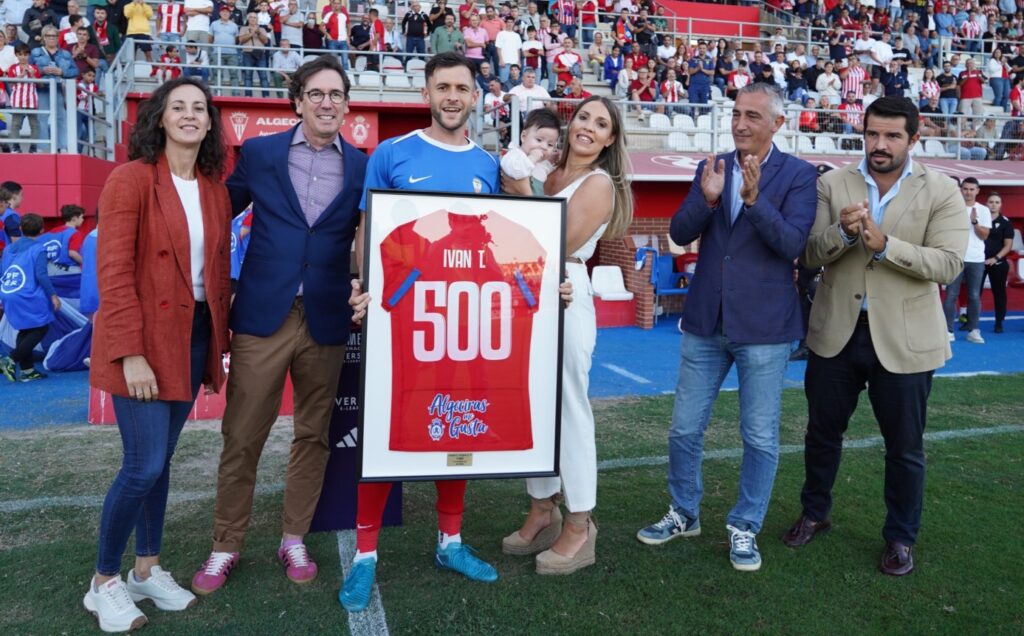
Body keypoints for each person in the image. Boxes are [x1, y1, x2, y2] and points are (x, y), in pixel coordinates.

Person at [190, 54, 368, 596]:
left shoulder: (362, 165)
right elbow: (215, 212)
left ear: (345, 104)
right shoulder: (263, 153)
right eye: (316, 93)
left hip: (327, 317)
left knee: (313, 436)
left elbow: (379, 235)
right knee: (243, 435)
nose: (327, 103)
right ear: (297, 101)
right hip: (264, 315)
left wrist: (367, 282)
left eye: (336, 94)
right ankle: (225, 543)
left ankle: (293, 537)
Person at [341, 52, 502, 613]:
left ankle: (450, 542)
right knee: (388, 432)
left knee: (456, 429)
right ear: (427, 94)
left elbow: (496, 244)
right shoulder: (393, 153)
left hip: (462, 321)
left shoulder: (489, 164)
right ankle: (365, 556)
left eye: (462, 87)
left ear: (476, 95)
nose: (453, 96)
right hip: (400, 320)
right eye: (442, 87)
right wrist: (362, 286)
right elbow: (369, 228)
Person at [782, 96, 968, 577]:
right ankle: (814, 513)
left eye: (892, 136)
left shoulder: (943, 190)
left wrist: (887, 247)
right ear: (862, 133)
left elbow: (948, 263)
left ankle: (901, 538)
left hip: (905, 339)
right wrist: (842, 236)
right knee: (822, 434)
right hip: (836, 334)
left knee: (904, 446)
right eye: (872, 134)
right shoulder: (831, 182)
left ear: (913, 138)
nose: (879, 145)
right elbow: (806, 255)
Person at [635, 82, 817, 573]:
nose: (740, 123)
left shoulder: (800, 176)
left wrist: (756, 202)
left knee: (758, 435)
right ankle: (683, 512)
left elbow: (791, 245)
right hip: (705, 323)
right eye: (736, 113)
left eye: (753, 116)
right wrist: (709, 201)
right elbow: (678, 233)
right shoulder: (711, 168)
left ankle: (744, 526)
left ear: (778, 124)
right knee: (683, 428)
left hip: (765, 328)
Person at [82, 77, 231, 632]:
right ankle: (103, 583)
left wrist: (219, 344)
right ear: (160, 119)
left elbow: (214, 274)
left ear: (211, 122)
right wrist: (130, 353)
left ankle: (147, 569)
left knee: (160, 463)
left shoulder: (215, 188)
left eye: (200, 108)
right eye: (179, 107)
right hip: (144, 342)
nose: (190, 115)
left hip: (191, 339)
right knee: (142, 464)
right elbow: (114, 273)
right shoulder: (131, 179)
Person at [499, 94, 633, 575]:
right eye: (583, 117)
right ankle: (542, 507)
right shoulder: (548, 168)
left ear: (610, 139)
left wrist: (519, 189)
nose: (588, 127)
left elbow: (552, 240)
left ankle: (580, 522)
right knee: (531, 403)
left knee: (568, 407)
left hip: (565, 287)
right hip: (524, 284)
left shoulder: (599, 184)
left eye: (601, 124)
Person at [0, 213, 59, 382]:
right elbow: (41, 274)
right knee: (41, 328)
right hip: (28, 294)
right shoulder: (39, 248)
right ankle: (11, 359)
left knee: (25, 329)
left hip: (9, 291)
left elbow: (3, 271)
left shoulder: (9, 248)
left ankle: (27, 370)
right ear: (42, 230)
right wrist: (53, 295)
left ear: (20, 229)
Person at [942, 177, 990, 344]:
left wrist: (975, 222)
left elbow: (984, 235)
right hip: (955, 257)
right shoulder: (951, 208)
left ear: (977, 191)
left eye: (972, 189)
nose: (968, 192)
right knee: (951, 295)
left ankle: (974, 331)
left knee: (974, 295)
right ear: (961, 190)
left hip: (976, 259)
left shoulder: (983, 210)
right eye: (965, 189)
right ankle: (948, 331)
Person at [29, 25, 78, 152]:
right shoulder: (35, 52)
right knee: (42, 118)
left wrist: (62, 71)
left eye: (54, 36)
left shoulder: (65, 54)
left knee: (61, 118)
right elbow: (28, 69)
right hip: (42, 88)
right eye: (48, 36)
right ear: (43, 38)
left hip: (58, 88)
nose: (52, 38)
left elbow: (75, 71)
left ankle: (63, 147)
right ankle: (42, 147)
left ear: (58, 37)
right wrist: (41, 70)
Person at [500, 107, 560, 195]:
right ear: (524, 136)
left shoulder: (541, 164)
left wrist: (552, 162)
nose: (544, 147)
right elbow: (517, 172)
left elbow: (545, 169)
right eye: (539, 140)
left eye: (550, 145)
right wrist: (532, 158)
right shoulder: (514, 155)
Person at [981, 192, 1014, 334]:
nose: (993, 205)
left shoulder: (1006, 222)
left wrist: (995, 259)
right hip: (979, 262)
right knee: (974, 293)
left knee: (999, 293)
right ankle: (971, 321)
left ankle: (999, 322)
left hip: (998, 263)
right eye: (991, 202)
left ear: (1001, 205)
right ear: (986, 204)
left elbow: (1008, 246)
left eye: (997, 202)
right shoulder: (979, 220)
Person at [5, 43, 41, 154]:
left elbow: (40, 85)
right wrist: (20, 76)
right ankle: (16, 146)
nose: (23, 57)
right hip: (17, 100)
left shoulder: (34, 68)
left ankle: (33, 147)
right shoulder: (13, 68)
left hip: (32, 100)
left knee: (34, 125)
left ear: (29, 55)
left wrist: (33, 75)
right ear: (16, 55)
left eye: (25, 54)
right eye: (20, 54)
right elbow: (10, 83)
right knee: (16, 124)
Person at [46, 203, 85, 268]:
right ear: (74, 218)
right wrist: (85, 263)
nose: (83, 220)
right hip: (68, 271)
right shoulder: (75, 233)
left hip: (51, 270)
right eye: (81, 217)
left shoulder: (51, 232)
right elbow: (72, 253)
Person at [0, 181, 24, 251]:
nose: (22, 198)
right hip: (6, 258)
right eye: (21, 195)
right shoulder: (11, 216)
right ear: (14, 196)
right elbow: (17, 242)